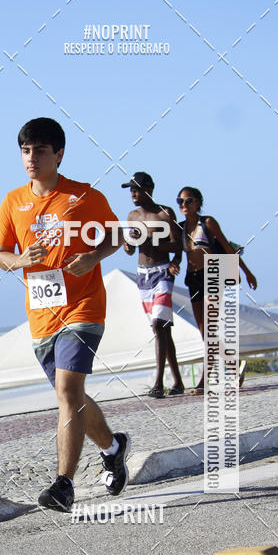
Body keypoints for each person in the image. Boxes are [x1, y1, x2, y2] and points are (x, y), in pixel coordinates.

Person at [0, 117, 130, 512]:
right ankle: (113, 446)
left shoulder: (84, 196)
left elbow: (117, 234)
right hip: (41, 315)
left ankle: (63, 485)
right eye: (25, 150)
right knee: (72, 396)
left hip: (84, 308)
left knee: (68, 392)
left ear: (59, 154)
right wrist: (20, 259)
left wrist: (93, 256)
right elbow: (1, 255)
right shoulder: (12, 202)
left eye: (39, 150)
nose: (30, 158)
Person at [178, 186, 257, 394]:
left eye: (188, 200)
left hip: (212, 275)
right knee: (205, 333)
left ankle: (205, 380)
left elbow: (227, 248)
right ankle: (234, 366)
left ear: (198, 203)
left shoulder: (208, 222)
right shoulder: (180, 228)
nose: (183, 205)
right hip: (192, 278)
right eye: (180, 201)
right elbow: (171, 249)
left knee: (211, 331)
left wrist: (246, 272)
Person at [122, 171, 184, 399]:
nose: (133, 194)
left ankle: (158, 382)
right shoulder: (132, 216)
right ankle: (177, 381)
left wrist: (155, 244)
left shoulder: (165, 214)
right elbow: (129, 249)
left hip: (163, 272)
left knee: (159, 324)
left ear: (150, 189)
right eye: (131, 190)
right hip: (143, 276)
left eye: (137, 189)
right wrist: (128, 243)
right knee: (162, 329)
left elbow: (179, 245)